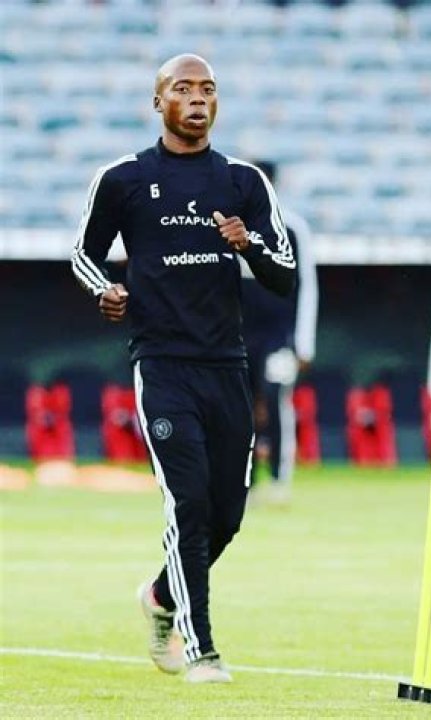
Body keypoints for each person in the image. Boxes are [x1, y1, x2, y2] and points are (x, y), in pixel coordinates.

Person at [71, 54, 296, 683]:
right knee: (188, 503)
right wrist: (105, 290)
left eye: (208, 89)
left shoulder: (243, 182)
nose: (197, 98)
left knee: (227, 516)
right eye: (183, 88)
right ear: (158, 102)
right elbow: (85, 255)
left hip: (228, 366)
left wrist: (247, 244)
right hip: (163, 365)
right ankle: (201, 650)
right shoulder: (123, 179)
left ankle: (160, 595)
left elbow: (284, 274)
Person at [241, 160, 318, 505]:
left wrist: (304, 343)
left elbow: (307, 287)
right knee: (239, 405)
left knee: (274, 397)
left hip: (279, 336)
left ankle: (277, 479)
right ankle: (243, 481)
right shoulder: (229, 226)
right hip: (238, 335)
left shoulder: (292, 228)